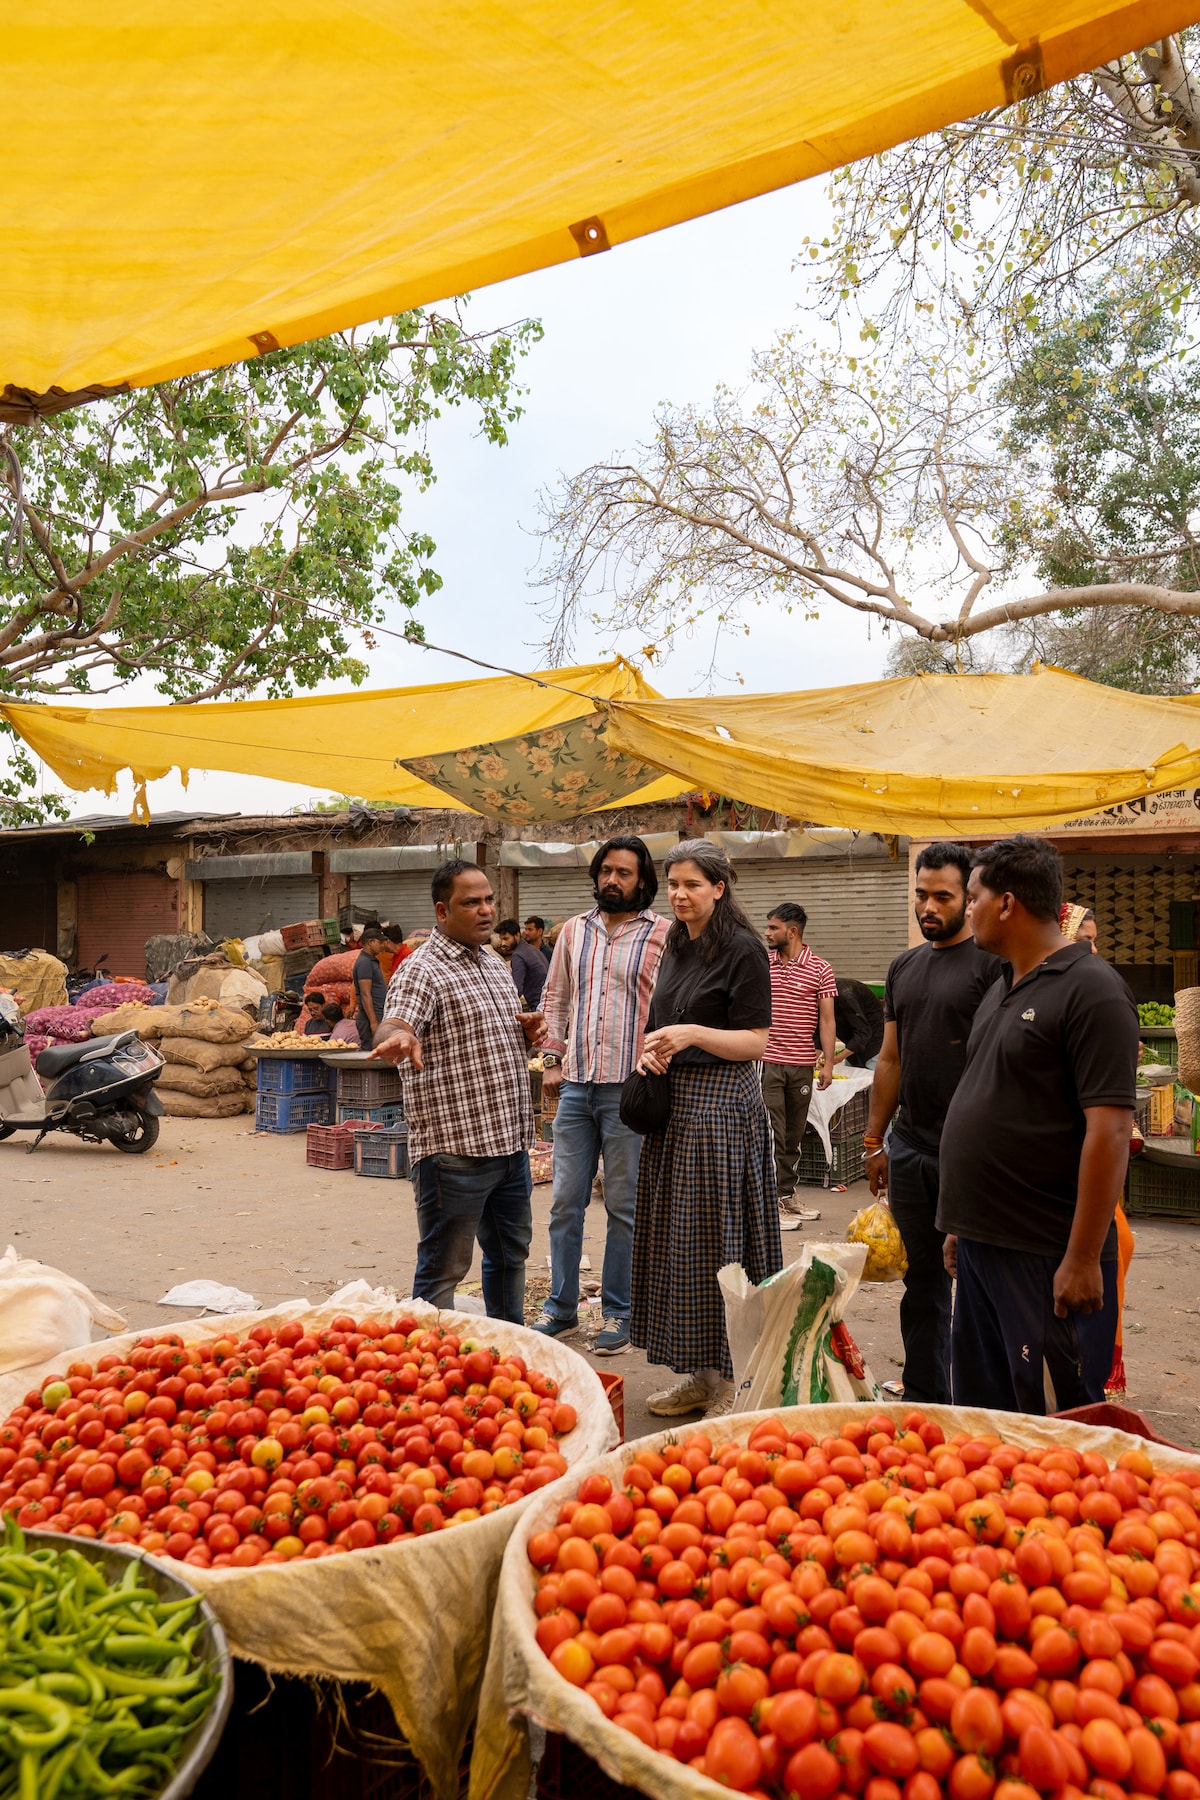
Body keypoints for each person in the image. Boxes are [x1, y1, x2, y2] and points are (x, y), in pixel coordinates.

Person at [938, 835, 1139, 1414]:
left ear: (1006, 905)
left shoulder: (1093, 991)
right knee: (983, 1419)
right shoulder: (1003, 986)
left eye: (972, 896)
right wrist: (962, 1223)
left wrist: (1079, 1258)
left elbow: (1109, 1132)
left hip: (1044, 1253)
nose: (966, 909)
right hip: (983, 1243)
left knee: (1051, 1433)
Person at [630, 839, 780, 1417]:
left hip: (720, 1110)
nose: (679, 895)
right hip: (676, 1106)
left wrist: (690, 1035)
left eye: (692, 884)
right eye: (672, 885)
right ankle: (701, 1375)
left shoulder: (744, 949)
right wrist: (655, 1046)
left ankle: (737, 1383)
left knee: (722, 1241)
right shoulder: (675, 940)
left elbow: (756, 1042)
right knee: (682, 1242)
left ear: (720, 887)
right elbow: (664, 1014)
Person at [370, 860, 545, 1323]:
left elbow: (484, 1037)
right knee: (443, 1271)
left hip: (509, 1145)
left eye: (489, 900)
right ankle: (429, 1370)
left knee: (510, 1258)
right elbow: (396, 1021)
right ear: (443, 911)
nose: (486, 910)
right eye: (472, 902)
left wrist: (527, 1031)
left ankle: (509, 1352)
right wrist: (399, 1036)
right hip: (454, 1153)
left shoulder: (493, 962)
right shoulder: (422, 969)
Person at [865, 843, 1001, 1404]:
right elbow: (891, 1059)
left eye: (942, 896)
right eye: (920, 894)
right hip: (912, 1150)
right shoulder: (904, 966)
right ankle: (925, 1395)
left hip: (971, 1157)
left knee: (978, 1285)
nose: (928, 906)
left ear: (968, 899)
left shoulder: (994, 966)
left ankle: (981, 1399)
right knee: (921, 1285)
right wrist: (875, 1140)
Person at [531, 836, 670, 1354]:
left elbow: (671, 1007)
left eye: (625, 873)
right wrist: (550, 1059)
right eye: (606, 871)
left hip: (630, 1092)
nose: (613, 880)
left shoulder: (663, 934)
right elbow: (556, 998)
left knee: (624, 1206)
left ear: (643, 880)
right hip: (576, 1088)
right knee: (564, 1202)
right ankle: (562, 1309)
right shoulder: (573, 930)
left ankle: (620, 1312)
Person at [1059, 899, 1135, 1399]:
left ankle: (1094, 1380)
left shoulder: (1101, 992)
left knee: (1115, 1246)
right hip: (1055, 1177)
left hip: (1092, 1163)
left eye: (1095, 939)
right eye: (1083, 939)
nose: (1093, 949)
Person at [761, 904, 837, 1231]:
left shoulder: (821, 969)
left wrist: (829, 1064)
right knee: (772, 1133)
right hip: (768, 1062)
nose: (767, 933)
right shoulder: (762, 965)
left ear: (792, 932)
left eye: (773, 928)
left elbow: (827, 1018)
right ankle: (771, 1202)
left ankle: (786, 1193)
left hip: (803, 1065)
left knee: (793, 1135)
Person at [497, 917, 550, 1010]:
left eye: (506, 939)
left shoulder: (518, 956)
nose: (503, 943)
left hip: (538, 1004)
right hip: (548, 1002)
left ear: (517, 935)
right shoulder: (532, 949)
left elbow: (516, 989)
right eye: (501, 939)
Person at [832, 978, 885, 1068]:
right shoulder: (820, 1000)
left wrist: (838, 1058)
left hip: (874, 1044)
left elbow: (863, 1032)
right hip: (852, 1048)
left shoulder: (846, 995)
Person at [353, 926, 387, 1050]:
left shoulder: (371, 961)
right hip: (370, 1018)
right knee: (370, 1054)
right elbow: (365, 993)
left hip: (377, 1014)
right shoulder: (364, 963)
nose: (382, 946)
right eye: (379, 942)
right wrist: (373, 1022)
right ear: (370, 942)